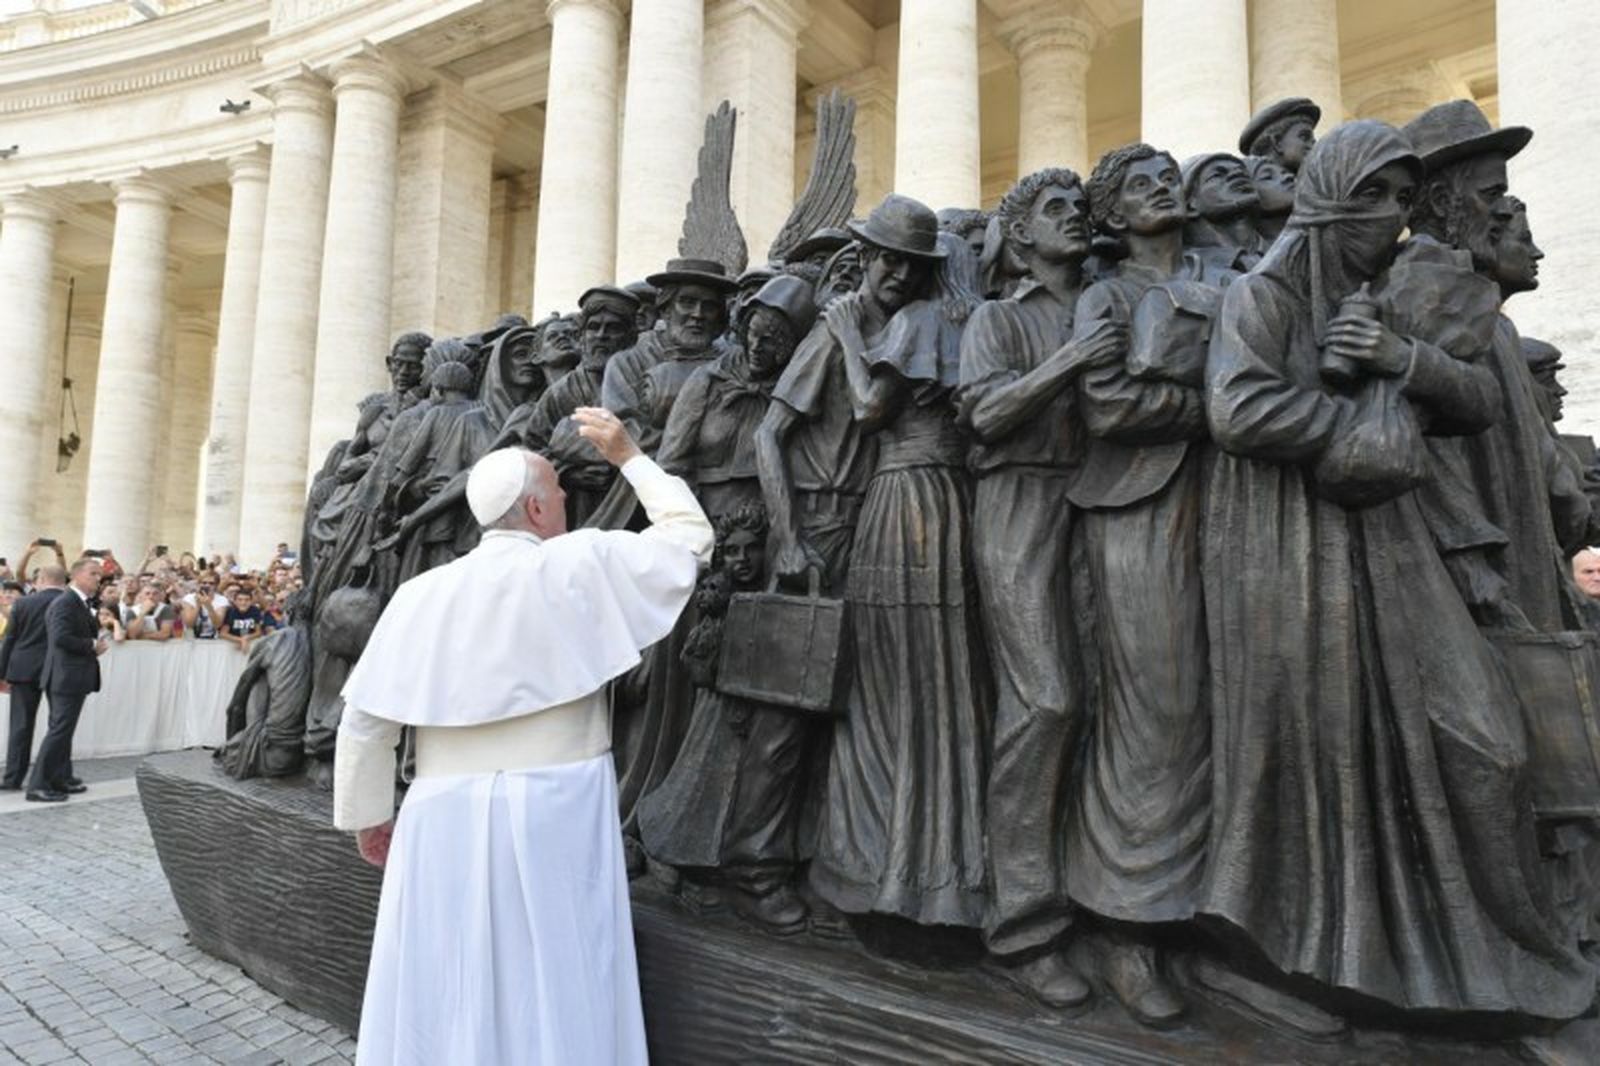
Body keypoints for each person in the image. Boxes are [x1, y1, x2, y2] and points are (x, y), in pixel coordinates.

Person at [1202, 119, 1591, 1026]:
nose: (1393, 217)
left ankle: (1487, 962)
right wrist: (1349, 422)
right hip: (1293, 542)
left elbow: (1480, 399)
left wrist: (1397, 360)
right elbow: (1237, 408)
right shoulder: (1261, 296)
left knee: (1487, 742)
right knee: (1324, 749)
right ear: (1329, 197)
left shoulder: (1390, 296)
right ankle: (1303, 958)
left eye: (1403, 200)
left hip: (1393, 533)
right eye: (1373, 195)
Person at [333, 408, 712, 1065]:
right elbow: (688, 536)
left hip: (438, 811)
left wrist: (369, 817)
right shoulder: (584, 561)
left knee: (445, 970)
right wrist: (630, 456)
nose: (567, 504)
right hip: (556, 805)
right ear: (537, 510)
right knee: (560, 967)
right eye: (560, 495)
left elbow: (367, 718)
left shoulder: (420, 594)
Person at [955, 167, 1124, 1006]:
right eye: (1056, 208)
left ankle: (1106, 909)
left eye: (1078, 207)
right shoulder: (998, 319)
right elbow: (983, 416)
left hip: (1104, 500)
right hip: (1019, 500)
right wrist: (1070, 361)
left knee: (1104, 700)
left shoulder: (1108, 301)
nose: (1076, 219)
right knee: (1046, 700)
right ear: (1019, 235)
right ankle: (1022, 924)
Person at [806, 201, 991, 932]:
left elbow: (866, 408)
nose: (889, 271)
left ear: (925, 270)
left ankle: (887, 867)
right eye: (882, 257)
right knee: (940, 679)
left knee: (890, 681)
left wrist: (851, 337)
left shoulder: (913, 325)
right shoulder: (966, 322)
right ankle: (942, 869)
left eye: (902, 261)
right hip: (949, 502)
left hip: (904, 501)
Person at [29, 559, 108, 803]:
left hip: (71, 676)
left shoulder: (79, 602)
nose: (98, 578)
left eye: (100, 574)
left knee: (63, 731)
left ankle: (57, 779)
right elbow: (60, 638)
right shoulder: (65, 602)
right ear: (77, 575)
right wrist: (92, 645)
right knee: (59, 731)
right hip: (65, 677)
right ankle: (37, 785)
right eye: (93, 573)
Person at [0, 566, 67, 791]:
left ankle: (12, 778)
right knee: (59, 725)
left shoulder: (23, 603)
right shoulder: (71, 602)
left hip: (23, 668)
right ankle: (55, 777)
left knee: (20, 725)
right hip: (58, 669)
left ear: (40, 580)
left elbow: (9, 639)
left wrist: (1, 673)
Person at [221, 587, 268, 653]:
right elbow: (223, 633)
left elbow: (258, 632)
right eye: (240, 600)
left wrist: (246, 638)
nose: (243, 603)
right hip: (232, 646)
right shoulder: (230, 611)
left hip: (250, 645)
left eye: (247, 600)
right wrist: (240, 640)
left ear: (251, 601)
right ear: (235, 601)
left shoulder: (255, 611)